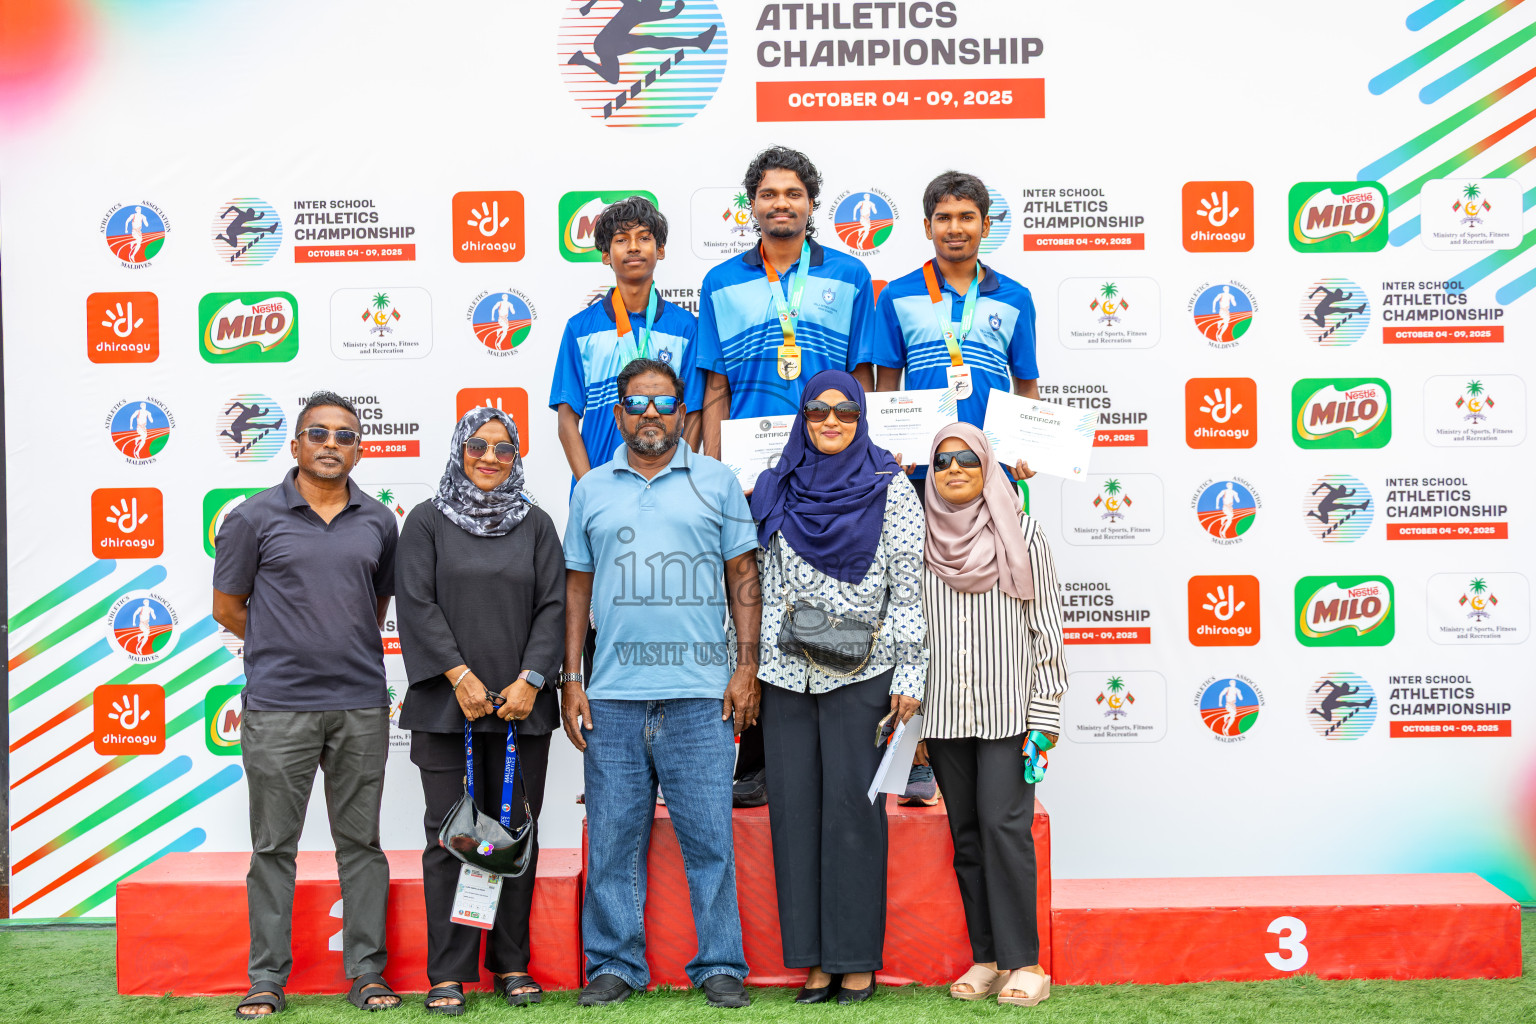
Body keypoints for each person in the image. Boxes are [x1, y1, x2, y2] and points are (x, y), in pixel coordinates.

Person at [560, 358, 761, 1009]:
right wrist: (571, 677)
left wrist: (746, 667)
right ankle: (614, 963)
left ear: (683, 413)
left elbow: (743, 578)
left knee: (709, 838)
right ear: (617, 415)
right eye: (637, 404)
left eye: (664, 402)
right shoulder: (591, 487)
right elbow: (576, 587)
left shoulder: (718, 481)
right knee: (615, 837)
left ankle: (721, 963)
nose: (651, 414)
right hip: (613, 696)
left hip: (701, 695)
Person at [212, 391, 402, 1018]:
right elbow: (228, 608)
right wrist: (286, 650)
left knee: (362, 845)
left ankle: (367, 975)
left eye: (344, 435)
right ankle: (266, 978)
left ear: (358, 447)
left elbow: (373, 607)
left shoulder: (379, 521)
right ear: (295, 445)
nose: (331, 443)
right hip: (277, 709)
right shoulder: (251, 518)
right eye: (317, 433)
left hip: (360, 705)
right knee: (273, 848)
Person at [698, 146, 878, 805]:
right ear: (752, 206)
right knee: (754, 609)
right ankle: (759, 758)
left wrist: (861, 462)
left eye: (794, 194)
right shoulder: (721, 282)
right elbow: (714, 385)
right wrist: (717, 474)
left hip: (830, 471)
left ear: (812, 203)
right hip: (750, 481)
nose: (782, 204)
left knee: (832, 604)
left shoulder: (852, 276)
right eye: (769, 194)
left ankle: (836, 751)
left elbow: (862, 379)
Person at [748, 368, 927, 1005]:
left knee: (854, 813)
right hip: (787, 675)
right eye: (818, 412)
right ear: (802, 416)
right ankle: (813, 962)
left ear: (861, 418)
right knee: (794, 815)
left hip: (865, 672)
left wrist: (910, 675)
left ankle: (855, 960)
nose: (830, 422)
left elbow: (908, 589)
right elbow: (757, 588)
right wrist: (753, 667)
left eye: (844, 413)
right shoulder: (775, 486)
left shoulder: (890, 488)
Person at [396, 408, 565, 1013]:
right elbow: (416, 604)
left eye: (502, 448)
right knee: (454, 838)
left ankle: (511, 964)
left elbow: (554, 607)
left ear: (516, 456)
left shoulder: (538, 524)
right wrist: (460, 676)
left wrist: (531, 681)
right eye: (477, 446)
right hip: (447, 710)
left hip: (524, 711)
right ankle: (448, 971)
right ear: (458, 450)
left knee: (513, 838)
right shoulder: (425, 522)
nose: (489, 457)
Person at [918, 423, 1067, 1008]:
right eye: (942, 461)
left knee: (1007, 833)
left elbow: (1047, 629)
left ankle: (1025, 962)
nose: (954, 470)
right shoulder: (918, 538)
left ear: (988, 468)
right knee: (968, 837)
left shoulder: (1023, 531)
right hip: (943, 715)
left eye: (967, 460)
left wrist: (1046, 716)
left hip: (1011, 714)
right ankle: (986, 959)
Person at [871, 170, 1040, 501]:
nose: (955, 228)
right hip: (921, 467)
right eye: (943, 218)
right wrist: (889, 450)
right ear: (927, 227)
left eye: (967, 217)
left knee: (996, 555)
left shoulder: (1016, 298)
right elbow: (886, 387)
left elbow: (1027, 387)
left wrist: (1027, 449)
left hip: (992, 466)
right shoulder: (896, 295)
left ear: (986, 226)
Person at [551, 195, 703, 488]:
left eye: (644, 238)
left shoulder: (686, 328)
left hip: (668, 486)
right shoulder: (580, 329)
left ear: (660, 250)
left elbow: (693, 412)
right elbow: (567, 421)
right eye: (621, 239)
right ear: (606, 255)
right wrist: (589, 488)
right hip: (599, 483)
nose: (633, 246)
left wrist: (678, 479)